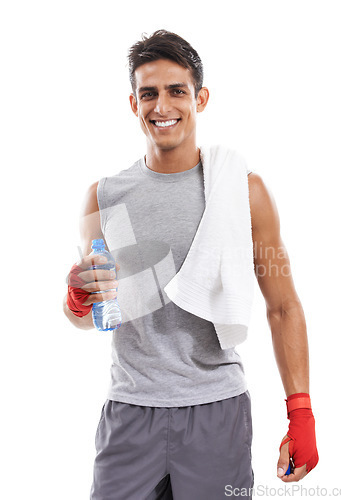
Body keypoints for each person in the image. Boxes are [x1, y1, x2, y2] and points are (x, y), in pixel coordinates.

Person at [63, 29, 318, 500]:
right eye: (149, 93)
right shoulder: (102, 198)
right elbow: (91, 316)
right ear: (133, 104)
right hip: (129, 411)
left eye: (176, 91)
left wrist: (300, 412)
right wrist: (77, 298)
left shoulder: (241, 191)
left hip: (216, 412)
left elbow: (283, 306)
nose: (162, 106)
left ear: (200, 98)